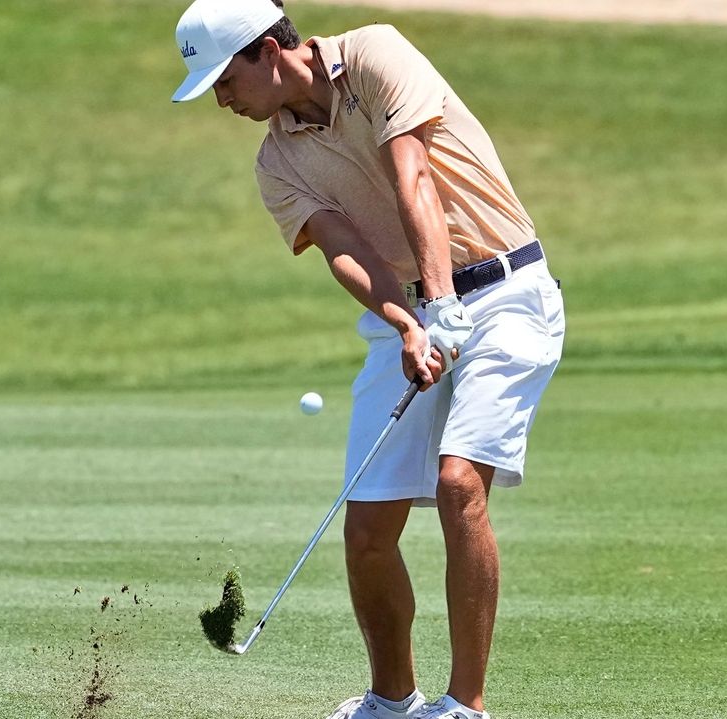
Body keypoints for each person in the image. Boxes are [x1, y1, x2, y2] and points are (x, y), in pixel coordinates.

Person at [171, 1, 564, 717]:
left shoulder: (376, 53)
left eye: (225, 80)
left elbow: (414, 175)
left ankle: (465, 705)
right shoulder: (276, 162)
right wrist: (411, 324)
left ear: (266, 50)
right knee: (367, 532)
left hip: (506, 291)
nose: (222, 99)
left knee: (457, 484)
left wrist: (443, 305)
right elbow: (343, 250)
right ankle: (392, 702)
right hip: (411, 313)